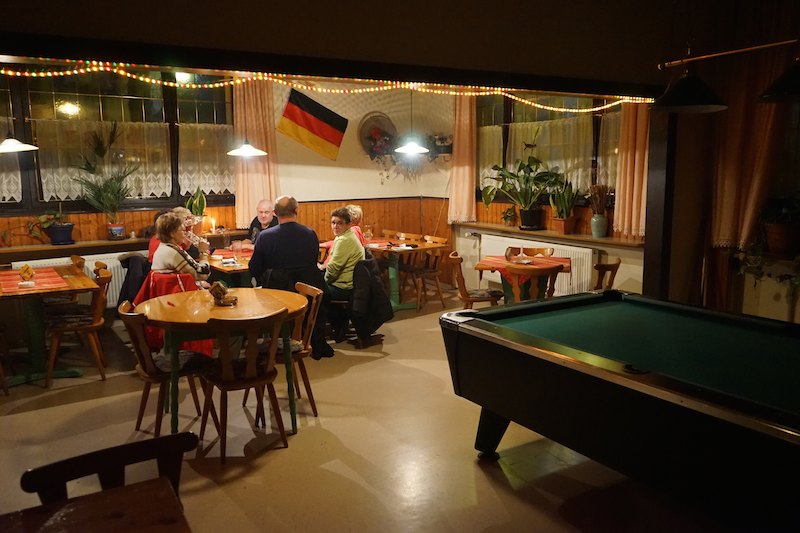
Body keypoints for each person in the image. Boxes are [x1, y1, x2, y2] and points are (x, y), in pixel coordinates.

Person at [249, 195, 334, 359]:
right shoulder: (310, 233)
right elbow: (313, 261)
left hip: (277, 294)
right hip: (308, 290)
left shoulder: (265, 236)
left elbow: (254, 269)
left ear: (275, 213)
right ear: (296, 210)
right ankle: (316, 342)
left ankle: (274, 341)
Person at [323, 207, 365, 341]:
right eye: (333, 223)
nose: (335, 226)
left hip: (345, 287)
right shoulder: (346, 236)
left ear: (348, 224)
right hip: (349, 284)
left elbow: (333, 270)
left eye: (339, 223)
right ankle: (339, 322)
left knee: (317, 291)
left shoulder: (344, 240)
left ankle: (337, 324)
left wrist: (323, 280)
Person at [151, 211, 211, 281]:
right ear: (172, 233)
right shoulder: (172, 253)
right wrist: (203, 253)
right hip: (181, 288)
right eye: (183, 230)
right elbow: (201, 275)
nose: (185, 234)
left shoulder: (163, 247)